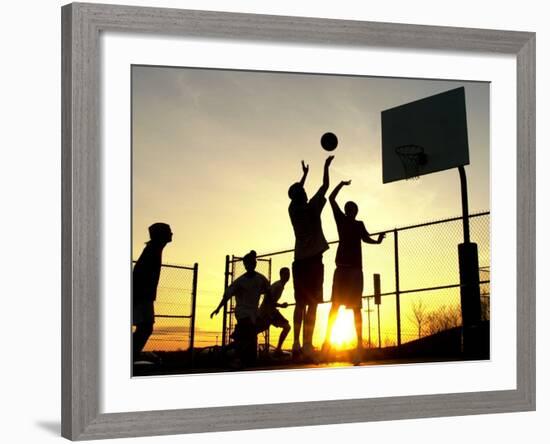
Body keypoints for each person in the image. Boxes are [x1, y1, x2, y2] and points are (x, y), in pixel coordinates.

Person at [322, 180, 385, 364]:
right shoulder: (340, 220)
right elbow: (331, 198)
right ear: (346, 210)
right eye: (347, 209)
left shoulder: (359, 225)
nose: (349, 211)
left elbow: (366, 239)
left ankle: (359, 345)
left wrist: (378, 241)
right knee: (335, 306)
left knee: (356, 307)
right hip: (342, 269)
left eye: (352, 209)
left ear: (355, 212)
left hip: (355, 271)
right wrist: (341, 184)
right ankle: (327, 342)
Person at [288, 155, 334, 360]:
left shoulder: (292, 209)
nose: (305, 190)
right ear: (301, 195)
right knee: (312, 304)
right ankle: (306, 344)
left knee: (301, 303)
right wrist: (325, 166)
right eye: (303, 190)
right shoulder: (313, 206)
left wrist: (304, 175)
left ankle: (297, 343)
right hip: (314, 262)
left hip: (300, 262)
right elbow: (325, 185)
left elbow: (296, 191)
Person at [211, 250, 270, 368]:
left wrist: (270, 306)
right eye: (247, 264)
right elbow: (227, 295)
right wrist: (218, 308)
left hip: (253, 313)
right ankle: (236, 357)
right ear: (245, 265)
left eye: (252, 263)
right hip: (242, 313)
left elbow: (269, 292)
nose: (250, 266)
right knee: (248, 334)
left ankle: (225, 352)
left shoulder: (261, 279)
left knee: (246, 337)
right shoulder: (240, 281)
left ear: (255, 264)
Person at [132, 222, 173, 360]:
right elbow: (139, 273)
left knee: (145, 328)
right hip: (142, 296)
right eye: (169, 231)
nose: (172, 233)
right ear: (160, 235)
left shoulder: (154, 248)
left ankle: (132, 354)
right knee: (145, 328)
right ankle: (131, 355)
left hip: (143, 295)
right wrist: (139, 296)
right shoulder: (153, 250)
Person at [256, 267, 292, 357]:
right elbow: (268, 299)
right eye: (286, 274)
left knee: (258, 329)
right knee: (287, 327)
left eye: (288, 274)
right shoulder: (278, 286)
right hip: (267, 312)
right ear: (281, 275)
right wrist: (281, 305)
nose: (288, 276)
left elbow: (270, 300)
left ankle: (278, 349)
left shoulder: (280, 286)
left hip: (269, 311)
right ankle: (278, 350)